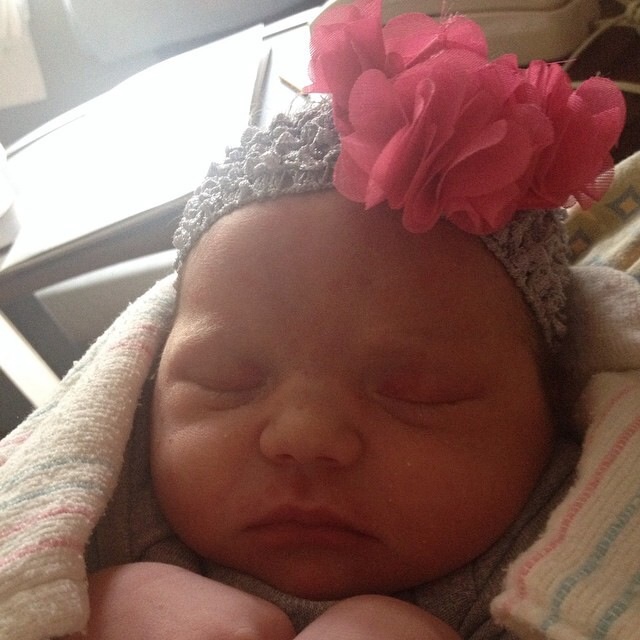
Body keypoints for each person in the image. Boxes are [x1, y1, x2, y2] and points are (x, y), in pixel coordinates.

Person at [2, 1, 636, 639]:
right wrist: (95, 606)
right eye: (226, 380)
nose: (303, 436)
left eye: (418, 391)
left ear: (555, 407)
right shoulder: (117, 515)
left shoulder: (562, 537)